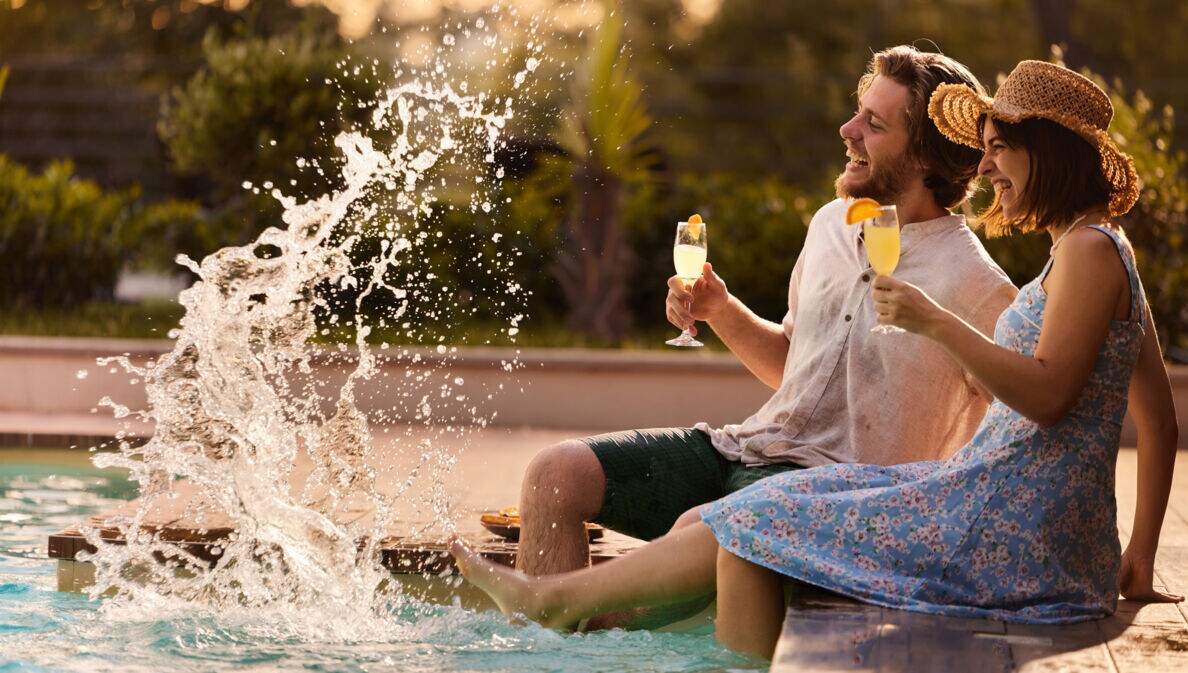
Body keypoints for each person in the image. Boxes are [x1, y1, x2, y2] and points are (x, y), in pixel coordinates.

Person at [450, 59, 1182, 659]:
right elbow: (1154, 413)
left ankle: (561, 613)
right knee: (575, 479)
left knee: (734, 524)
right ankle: (551, 638)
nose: (990, 165)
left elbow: (1042, 403)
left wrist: (939, 327)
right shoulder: (1079, 251)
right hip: (802, 453)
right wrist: (720, 310)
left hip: (956, 508)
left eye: (1000, 147)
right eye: (985, 146)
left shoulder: (1023, 273)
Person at [513, 45, 1018, 588]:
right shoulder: (830, 225)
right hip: (745, 449)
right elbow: (794, 369)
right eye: (857, 112)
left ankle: (566, 622)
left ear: (923, 156)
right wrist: (720, 310)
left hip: (825, 499)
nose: (848, 130)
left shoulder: (976, 286)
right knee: (553, 475)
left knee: (688, 533)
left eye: (873, 124)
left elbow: (1021, 428)